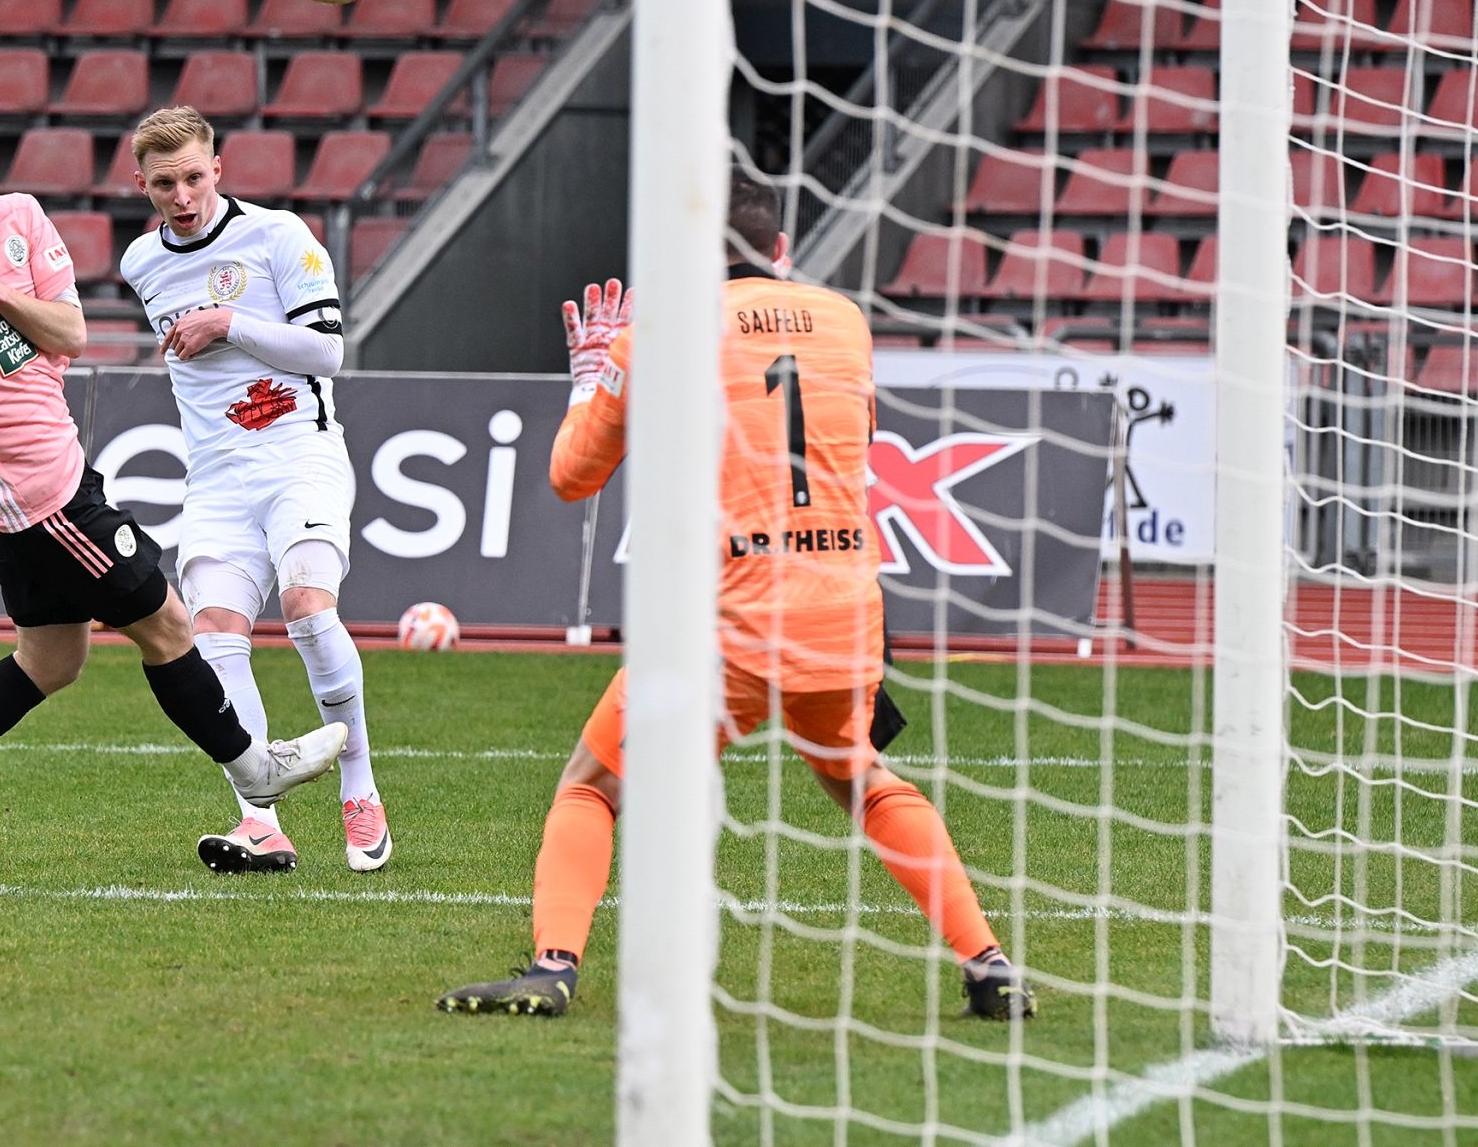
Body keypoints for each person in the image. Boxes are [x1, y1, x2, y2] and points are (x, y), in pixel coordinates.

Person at [437, 174, 1034, 1019]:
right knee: (862, 778)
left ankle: (553, 965)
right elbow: (852, 439)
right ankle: (988, 962)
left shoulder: (658, 334)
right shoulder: (846, 322)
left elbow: (572, 477)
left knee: (591, 786)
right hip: (842, 611)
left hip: (726, 625)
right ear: (781, 248)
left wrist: (591, 378)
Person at [0, 97, 346, 892]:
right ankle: (255, 770)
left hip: (55, 474)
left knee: (51, 660)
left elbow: (71, 333)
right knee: (169, 623)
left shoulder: (19, 217)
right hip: (39, 496)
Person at [118, 105, 390, 875]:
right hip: (214, 476)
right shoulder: (141, 262)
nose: (182, 196)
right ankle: (260, 821)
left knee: (309, 606)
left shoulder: (278, 236)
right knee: (213, 631)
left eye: (193, 177)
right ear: (141, 185)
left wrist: (226, 321)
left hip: (298, 455)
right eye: (164, 183)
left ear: (218, 169)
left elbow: (328, 351)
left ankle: (359, 787)